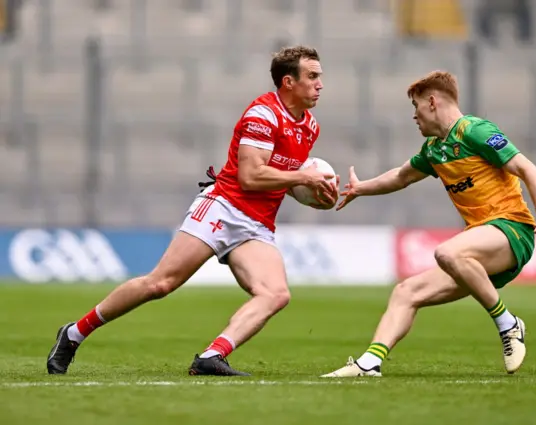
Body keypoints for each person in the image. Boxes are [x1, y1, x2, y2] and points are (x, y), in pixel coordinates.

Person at [47, 45, 338, 376]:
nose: (320, 84)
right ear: (288, 82)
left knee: (275, 294)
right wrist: (303, 175)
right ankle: (73, 334)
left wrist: (314, 191)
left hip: (257, 224)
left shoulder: (310, 126)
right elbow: (251, 175)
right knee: (160, 284)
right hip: (223, 208)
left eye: (320, 77)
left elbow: (282, 176)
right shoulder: (263, 115)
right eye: (313, 76)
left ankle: (212, 357)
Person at [321, 71, 536, 378]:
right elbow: (402, 176)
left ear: (431, 102)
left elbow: (528, 169)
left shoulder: (474, 131)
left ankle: (508, 324)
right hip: (479, 246)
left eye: (415, 106)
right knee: (406, 292)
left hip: (512, 230)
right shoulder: (434, 149)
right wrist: (361, 188)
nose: (414, 115)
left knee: (447, 252)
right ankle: (369, 363)